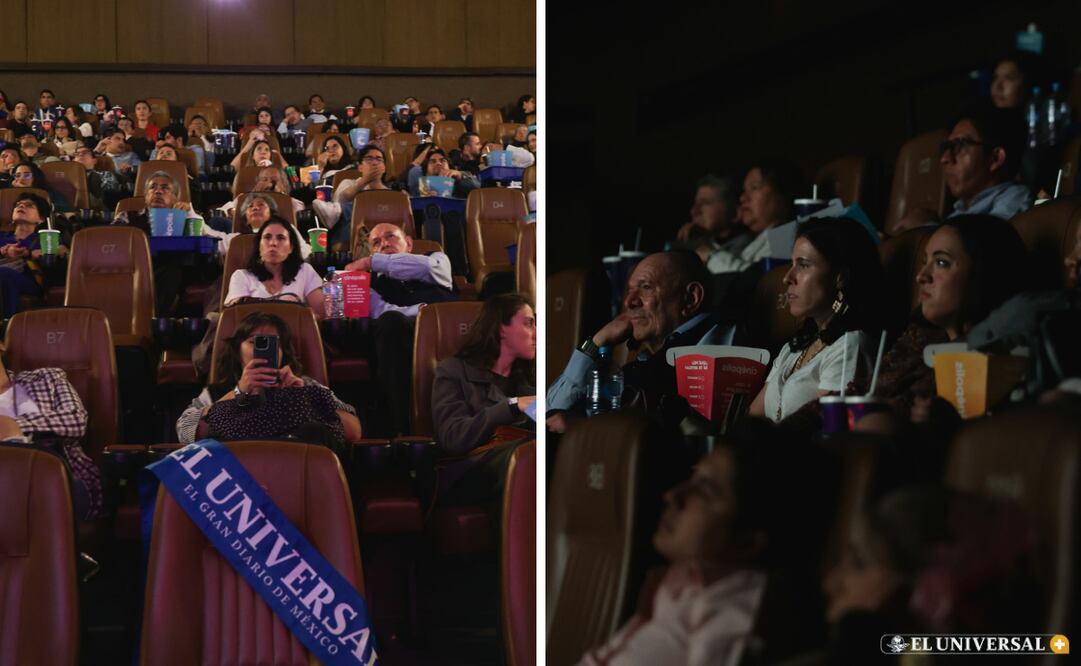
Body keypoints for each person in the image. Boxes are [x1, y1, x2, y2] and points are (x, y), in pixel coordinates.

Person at [578, 422, 837, 666]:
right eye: (692, 479)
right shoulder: (684, 582)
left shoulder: (734, 615)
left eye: (704, 491)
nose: (673, 496)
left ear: (746, 542)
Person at [860, 215, 1028, 430]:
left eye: (941, 263)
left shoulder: (1005, 359)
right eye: (924, 262)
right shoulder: (916, 339)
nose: (921, 276)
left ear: (985, 273)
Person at [547, 250, 729, 431]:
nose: (629, 302)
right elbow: (552, 411)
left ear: (691, 298)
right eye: (629, 290)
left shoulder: (714, 345)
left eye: (646, 287)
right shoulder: (645, 358)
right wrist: (596, 342)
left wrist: (586, 429)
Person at [748, 218, 883, 424]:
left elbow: (823, 429)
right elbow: (752, 418)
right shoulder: (794, 347)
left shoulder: (850, 346)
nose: (787, 278)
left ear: (840, 277)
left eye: (803, 265)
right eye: (791, 264)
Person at [176, 312, 360, 450]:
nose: (260, 349)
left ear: (282, 352)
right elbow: (184, 432)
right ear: (237, 350)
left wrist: (305, 397)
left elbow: (353, 432)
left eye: (272, 343)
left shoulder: (306, 386)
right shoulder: (217, 392)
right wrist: (238, 393)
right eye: (252, 341)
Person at [341, 222, 456, 435]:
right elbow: (382, 311)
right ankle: (402, 431)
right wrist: (425, 311)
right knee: (390, 322)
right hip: (401, 336)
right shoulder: (369, 282)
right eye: (376, 243)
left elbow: (427, 268)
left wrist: (370, 261)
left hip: (447, 333)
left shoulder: (436, 258)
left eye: (391, 237)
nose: (384, 244)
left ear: (409, 243)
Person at [430, 293, 535, 505]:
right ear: (501, 328)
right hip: (467, 470)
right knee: (527, 457)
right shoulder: (453, 370)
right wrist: (512, 406)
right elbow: (453, 437)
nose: (536, 333)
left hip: (519, 465)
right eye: (529, 324)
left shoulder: (531, 377)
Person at [0, 334, 101, 520]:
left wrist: (12, 427)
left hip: (57, 476)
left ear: (1, 346)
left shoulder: (47, 379)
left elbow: (76, 420)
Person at [705, 163, 804, 273]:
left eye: (754, 187)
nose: (743, 198)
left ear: (783, 193)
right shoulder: (750, 239)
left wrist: (710, 256)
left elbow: (753, 281)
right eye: (744, 190)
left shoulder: (792, 240)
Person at [942, 107, 1031, 220]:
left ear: (995, 158)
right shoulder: (958, 212)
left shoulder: (1014, 198)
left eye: (959, 145)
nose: (945, 158)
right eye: (947, 148)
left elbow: (986, 235)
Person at [224, 215, 323, 310]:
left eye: (280, 238)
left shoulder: (305, 271)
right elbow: (237, 316)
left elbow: (320, 312)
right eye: (267, 237)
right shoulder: (241, 276)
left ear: (291, 248)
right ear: (259, 246)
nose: (273, 243)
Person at [311, 144, 390, 250]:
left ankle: (334, 211)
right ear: (360, 167)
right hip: (349, 235)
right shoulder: (348, 183)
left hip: (381, 234)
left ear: (384, 167)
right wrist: (364, 181)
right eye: (369, 158)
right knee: (351, 206)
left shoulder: (391, 193)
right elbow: (342, 199)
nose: (374, 163)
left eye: (379, 159)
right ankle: (335, 211)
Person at [0, 193, 55, 316]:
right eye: (18, 205)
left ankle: (6, 324)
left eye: (29, 205)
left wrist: (28, 253)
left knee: (4, 274)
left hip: (29, 281)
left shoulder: (45, 238)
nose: (22, 206)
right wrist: (2, 251)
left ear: (40, 218)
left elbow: (61, 250)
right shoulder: (2, 236)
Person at [674, 175, 750, 264]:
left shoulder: (749, 249)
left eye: (705, 203)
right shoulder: (695, 243)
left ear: (735, 214)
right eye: (696, 204)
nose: (694, 211)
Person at [409, 146, 480, 198]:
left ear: (449, 167)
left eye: (442, 161)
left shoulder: (458, 183)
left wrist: (460, 175)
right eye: (432, 161)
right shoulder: (418, 187)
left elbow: (477, 186)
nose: (438, 163)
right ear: (426, 171)